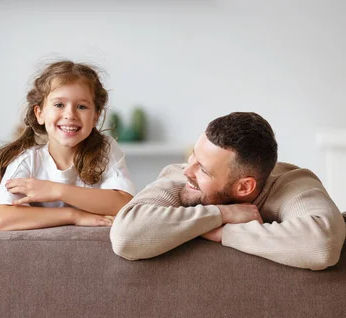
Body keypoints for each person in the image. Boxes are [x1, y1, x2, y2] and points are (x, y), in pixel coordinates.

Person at [110, 112, 346, 270]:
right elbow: (125, 236)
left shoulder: (293, 184)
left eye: (203, 169)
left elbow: (322, 245)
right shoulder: (180, 177)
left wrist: (225, 233)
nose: (187, 171)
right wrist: (222, 215)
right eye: (193, 155)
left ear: (245, 187)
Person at [0, 60, 135, 230]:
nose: (70, 114)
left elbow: (124, 204)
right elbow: (2, 219)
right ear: (40, 113)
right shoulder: (28, 161)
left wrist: (56, 191)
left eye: (81, 106)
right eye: (59, 105)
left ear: (95, 116)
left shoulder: (105, 149)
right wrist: (74, 216)